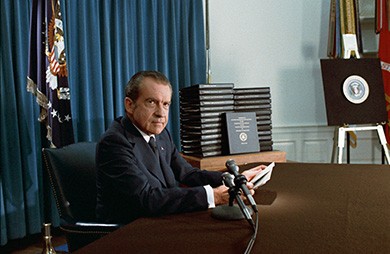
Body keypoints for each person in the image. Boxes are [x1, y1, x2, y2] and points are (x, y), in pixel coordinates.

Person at [96, 70, 266, 224]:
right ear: (130, 105)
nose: (161, 113)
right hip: (129, 232)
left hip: (163, 219)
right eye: (151, 102)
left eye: (166, 104)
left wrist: (233, 179)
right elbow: (146, 199)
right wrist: (212, 196)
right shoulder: (114, 143)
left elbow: (188, 173)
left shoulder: (161, 134)